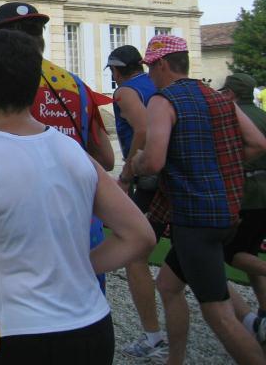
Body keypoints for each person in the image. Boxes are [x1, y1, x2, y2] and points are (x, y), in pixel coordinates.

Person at [0, 29, 155, 365]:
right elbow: (140, 235)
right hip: (93, 326)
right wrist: (78, 267)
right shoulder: (75, 151)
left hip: (23, 333)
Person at [0, 2, 115, 363]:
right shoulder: (75, 85)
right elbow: (105, 159)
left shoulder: (1, 85)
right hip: (81, 229)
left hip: (21, 229)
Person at [131, 35, 266, 365]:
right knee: (168, 284)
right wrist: (217, 167)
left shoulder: (163, 100)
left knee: (218, 314)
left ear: (163, 64)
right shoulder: (218, 97)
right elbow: (257, 143)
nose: (150, 74)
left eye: (151, 67)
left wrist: (136, 163)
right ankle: (175, 360)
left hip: (195, 219)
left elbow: (154, 161)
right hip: (226, 212)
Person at [105, 45, 167, 359]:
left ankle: (153, 336)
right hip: (169, 175)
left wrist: (127, 173)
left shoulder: (126, 92)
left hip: (148, 178)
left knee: (135, 255)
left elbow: (142, 129)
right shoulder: (152, 84)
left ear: (117, 70)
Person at [217, 73, 266, 340]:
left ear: (231, 93)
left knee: (231, 253)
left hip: (245, 193)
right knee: (250, 252)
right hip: (264, 192)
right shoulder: (262, 115)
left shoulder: (232, 117)